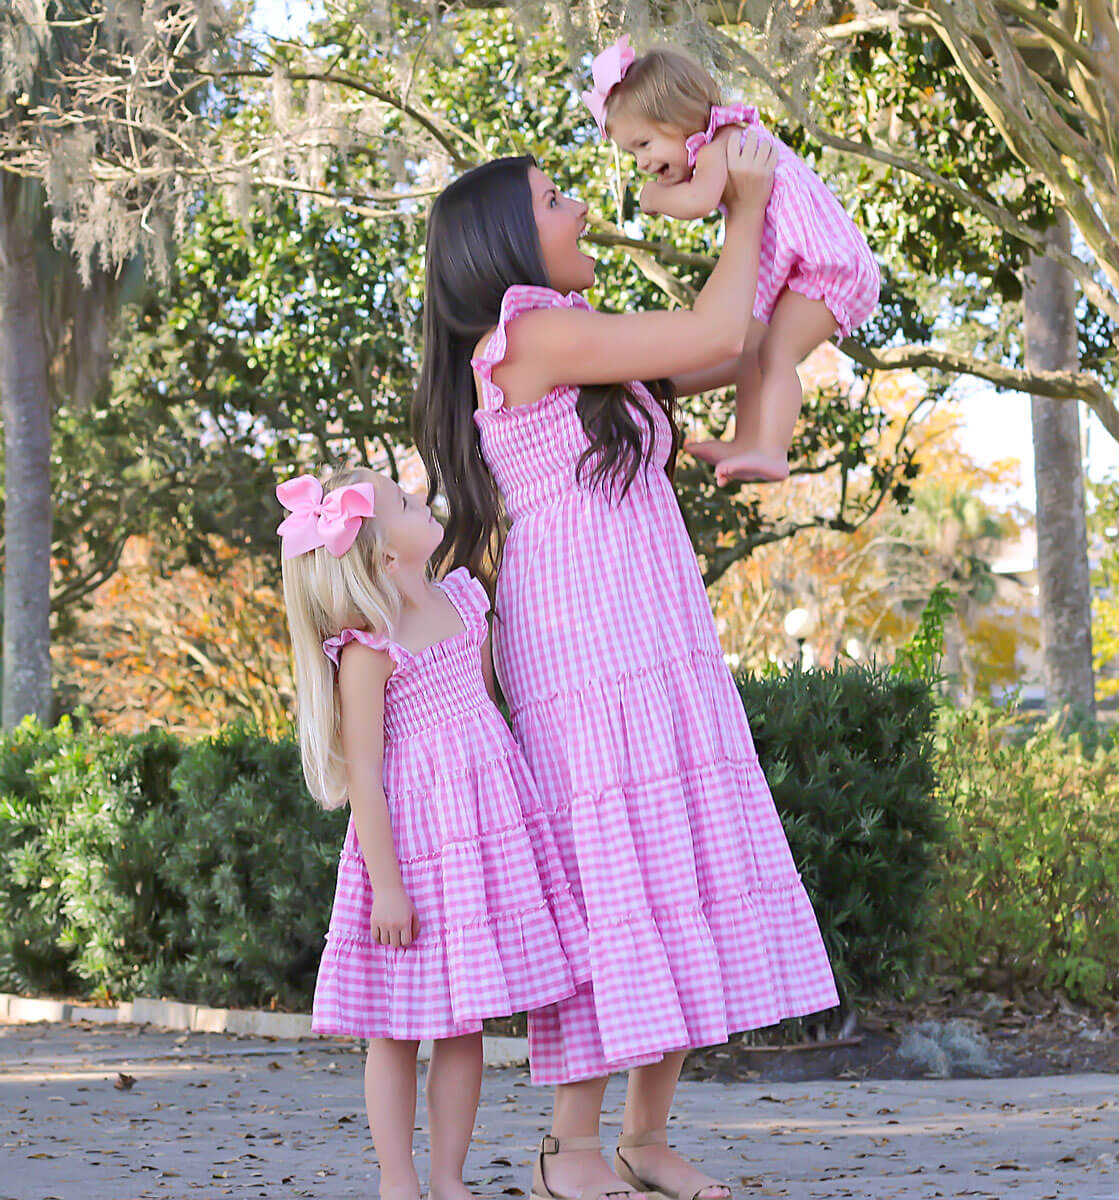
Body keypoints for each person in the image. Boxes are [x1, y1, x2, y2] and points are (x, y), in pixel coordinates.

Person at [413, 134, 840, 1200]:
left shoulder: (582, 348)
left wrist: (796, 234)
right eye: (556, 202)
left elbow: (729, 341)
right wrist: (737, 207)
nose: (583, 213)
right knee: (613, 878)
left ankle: (648, 1138)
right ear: (508, 245)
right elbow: (705, 325)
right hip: (587, 641)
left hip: (655, 632)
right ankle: (573, 1145)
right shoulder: (525, 336)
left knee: (673, 864)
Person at [277, 467, 588, 1200]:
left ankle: (449, 1178)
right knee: (393, 1029)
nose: (427, 501)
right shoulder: (367, 650)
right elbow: (366, 778)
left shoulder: (464, 601)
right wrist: (387, 885)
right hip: (411, 851)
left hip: (477, 841)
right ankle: (398, 1180)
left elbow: (484, 712)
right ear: (387, 555)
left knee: (462, 1022)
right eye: (410, 503)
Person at [584, 36, 880, 484]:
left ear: (679, 117)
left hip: (827, 269)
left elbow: (700, 201)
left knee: (776, 353)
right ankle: (748, 439)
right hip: (797, 268)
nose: (643, 162)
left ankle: (772, 449)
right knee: (752, 349)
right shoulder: (719, 141)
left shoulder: (721, 141)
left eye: (643, 144)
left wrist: (655, 198)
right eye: (633, 153)